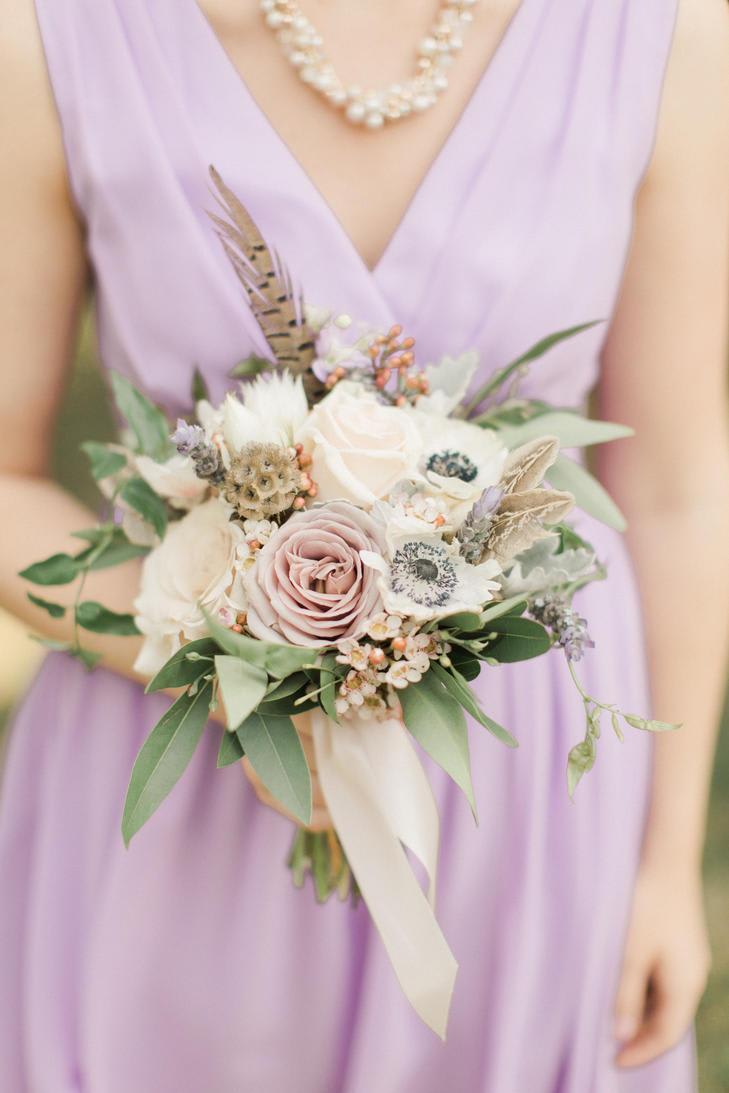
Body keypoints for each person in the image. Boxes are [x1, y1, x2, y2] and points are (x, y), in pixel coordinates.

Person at [1, 0, 728, 1089]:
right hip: (182, 778)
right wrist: (246, 658)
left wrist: (665, 862)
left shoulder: (662, 31)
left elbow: (671, 491)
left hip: (518, 802)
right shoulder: (50, 35)